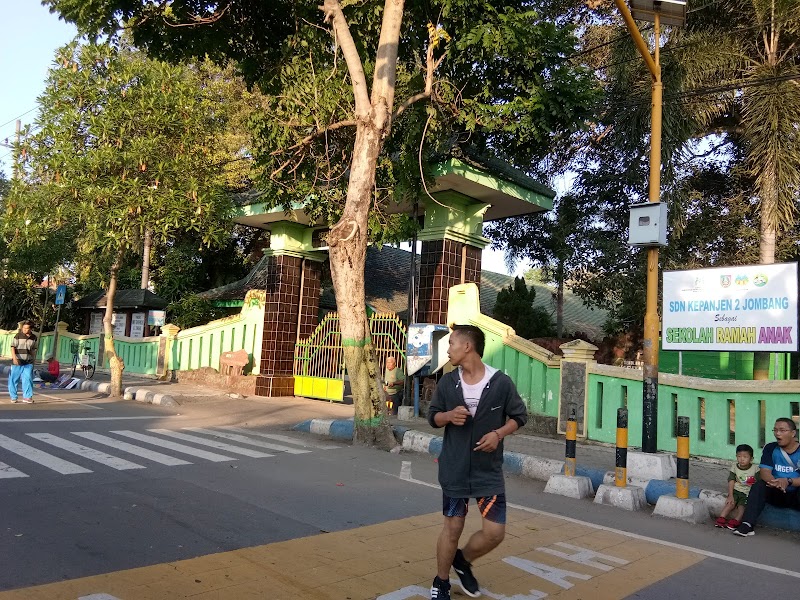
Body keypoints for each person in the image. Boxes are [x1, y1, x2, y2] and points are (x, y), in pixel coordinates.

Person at [428, 324, 528, 600]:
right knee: (453, 528)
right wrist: (448, 416)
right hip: (455, 470)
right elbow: (433, 417)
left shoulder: (500, 383)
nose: (448, 349)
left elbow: (519, 416)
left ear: (467, 347)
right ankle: (441, 581)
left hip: (488, 472)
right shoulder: (449, 382)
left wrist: (498, 434)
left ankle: (462, 561)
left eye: (451, 344)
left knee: (495, 533)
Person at [733, 418, 800, 537]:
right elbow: (764, 472)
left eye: (782, 430)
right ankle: (747, 524)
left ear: (793, 433)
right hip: (775, 490)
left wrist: (788, 481)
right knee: (759, 485)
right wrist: (776, 482)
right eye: (775, 430)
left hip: (795, 493)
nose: (777, 433)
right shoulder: (770, 448)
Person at [714, 444, 758, 530]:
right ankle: (722, 518)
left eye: (745, 457)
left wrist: (741, 480)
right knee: (730, 503)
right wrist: (730, 495)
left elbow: (756, 481)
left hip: (747, 492)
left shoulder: (755, 469)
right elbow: (731, 480)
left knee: (742, 506)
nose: (742, 459)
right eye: (739, 456)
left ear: (751, 459)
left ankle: (736, 520)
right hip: (736, 490)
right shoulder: (734, 467)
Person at [8, 321, 38, 404]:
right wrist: (14, 358)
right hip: (17, 361)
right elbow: (12, 347)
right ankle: (13, 397)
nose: (24, 330)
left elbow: (33, 349)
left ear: (31, 329)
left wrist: (33, 359)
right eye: (23, 328)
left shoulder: (34, 337)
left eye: (27, 328)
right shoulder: (18, 336)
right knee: (14, 379)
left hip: (28, 362)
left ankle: (27, 397)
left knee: (28, 379)